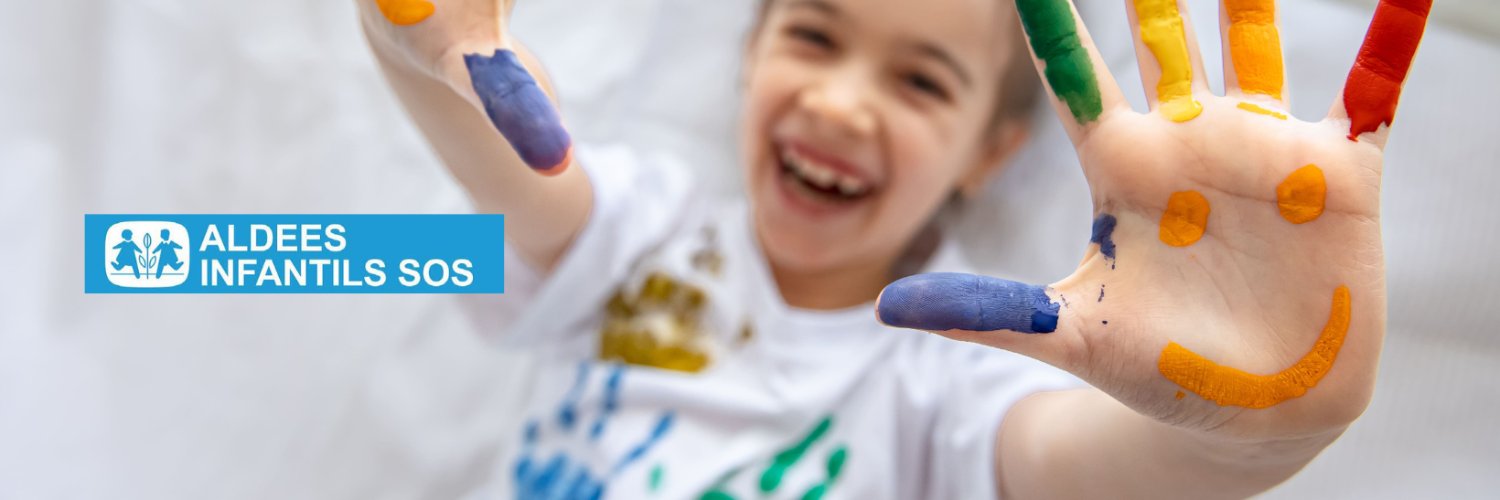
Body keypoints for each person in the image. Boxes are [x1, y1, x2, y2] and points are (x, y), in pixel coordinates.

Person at [358, 0, 1431, 497]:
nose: (838, 100)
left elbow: (1110, 469)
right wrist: (410, 47)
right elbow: (505, 167)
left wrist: (1256, 428)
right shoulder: (646, 233)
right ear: (751, 53)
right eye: (814, 36)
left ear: (991, 148)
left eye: (921, 81)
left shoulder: (956, 378)